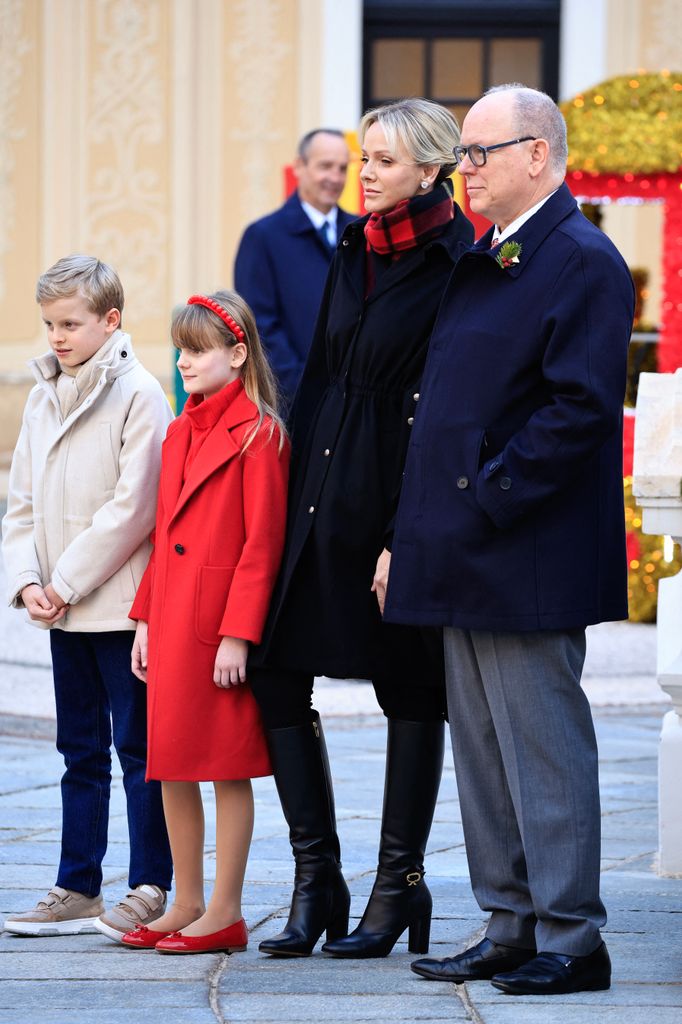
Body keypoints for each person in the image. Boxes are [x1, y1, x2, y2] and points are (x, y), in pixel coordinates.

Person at [384, 85, 635, 995]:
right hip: (465, 547)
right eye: (462, 156)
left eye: (481, 152)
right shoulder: (487, 256)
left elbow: (579, 409)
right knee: (485, 751)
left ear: (538, 154)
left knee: (543, 749)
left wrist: (488, 494)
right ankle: (511, 922)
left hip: (524, 550)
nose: (466, 170)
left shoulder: (579, 258)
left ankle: (573, 936)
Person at [249, 98, 474, 959]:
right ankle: (319, 880)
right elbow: (318, 378)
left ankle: (396, 887)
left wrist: (405, 535)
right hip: (319, 488)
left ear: (429, 169)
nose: (362, 172)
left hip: (397, 497)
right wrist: (275, 497)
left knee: (410, 688)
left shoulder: (462, 261)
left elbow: (447, 409)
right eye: (360, 157)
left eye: (380, 160)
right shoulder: (353, 248)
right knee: (274, 669)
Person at [2, 254, 173, 940]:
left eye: (70, 323)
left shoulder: (140, 393)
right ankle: (77, 885)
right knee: (77, 750)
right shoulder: (42, 397)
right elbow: (21, 505)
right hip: (60, 608)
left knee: (138, 749)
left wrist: (64, 582)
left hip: (118, 606)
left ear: (111, 319)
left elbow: (133, 509)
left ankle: (151, 883)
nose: (57, 337)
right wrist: (27, 583)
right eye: (48, 324)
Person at [119, 290, 289, 955]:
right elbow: (166, 534)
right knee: (172, 764)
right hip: (173, 621)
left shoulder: (260, 434)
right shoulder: (179, 430)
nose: (184, 362)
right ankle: (185, 898)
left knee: (224, 766)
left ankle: (224, 910)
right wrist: (145, 620)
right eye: (180, 350)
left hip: (218, 631)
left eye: (197, 351)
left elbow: (262, 544)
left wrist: (238, 634)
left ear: (237, 354)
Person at [234, 128, 355, 405]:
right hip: (292, 403)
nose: (335, 178)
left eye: (342, 168)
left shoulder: (362, 231)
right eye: (325, 166)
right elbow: (259, 325)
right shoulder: (262, 237)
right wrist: (305, 387)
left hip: (354, 404)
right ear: (299, 167)